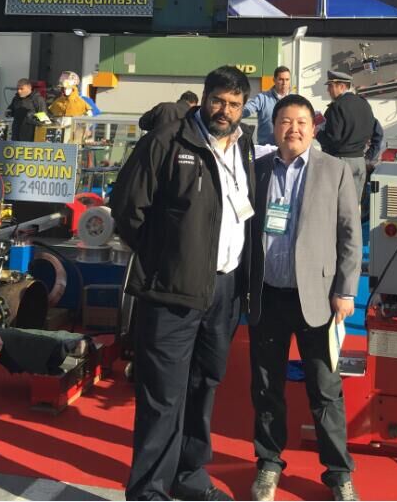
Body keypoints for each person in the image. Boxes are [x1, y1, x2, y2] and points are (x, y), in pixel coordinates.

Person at [110, 66, 255, 501]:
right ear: (204, 99)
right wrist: (165, 260)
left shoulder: (243, 146)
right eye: (218, 101)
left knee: (203, 386)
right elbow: (127, 208)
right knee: (163, 396)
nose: (224, 110)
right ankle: (149, 491)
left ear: (243, 108)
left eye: (233, 104)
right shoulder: (167, 141)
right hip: (171, 290)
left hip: (223, 290)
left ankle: (189, 475)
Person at [248, 94, 361, 502]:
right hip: (267, 296)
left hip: (317, 298)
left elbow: (350, 233)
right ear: (274, 126)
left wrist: (345, 290)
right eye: (285, 121)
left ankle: (338, 473)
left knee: (325, 389)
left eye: (300, 122)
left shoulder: (335, 170)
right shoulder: (258, 169)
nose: (292, 129)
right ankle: (269, 464)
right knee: (266, 387)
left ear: (314, 128)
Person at [316, 70, 375, 199]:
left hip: (340, 161)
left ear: (342, 86)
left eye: (330, 86)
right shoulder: (364, 104)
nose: (328, 90)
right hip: (359, 160)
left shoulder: (337, 106)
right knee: (353, 203)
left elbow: (333, 138)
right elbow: (372, 130)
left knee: (335, 203)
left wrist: (317, 133)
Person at [242, 66, 291, 145]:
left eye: (287, 79)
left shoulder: (294, 100)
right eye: (281, 79)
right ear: (274, 80)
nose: (284, 83)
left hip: (287, 147)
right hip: (266, 147)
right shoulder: (262, 98)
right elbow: (247, 109)